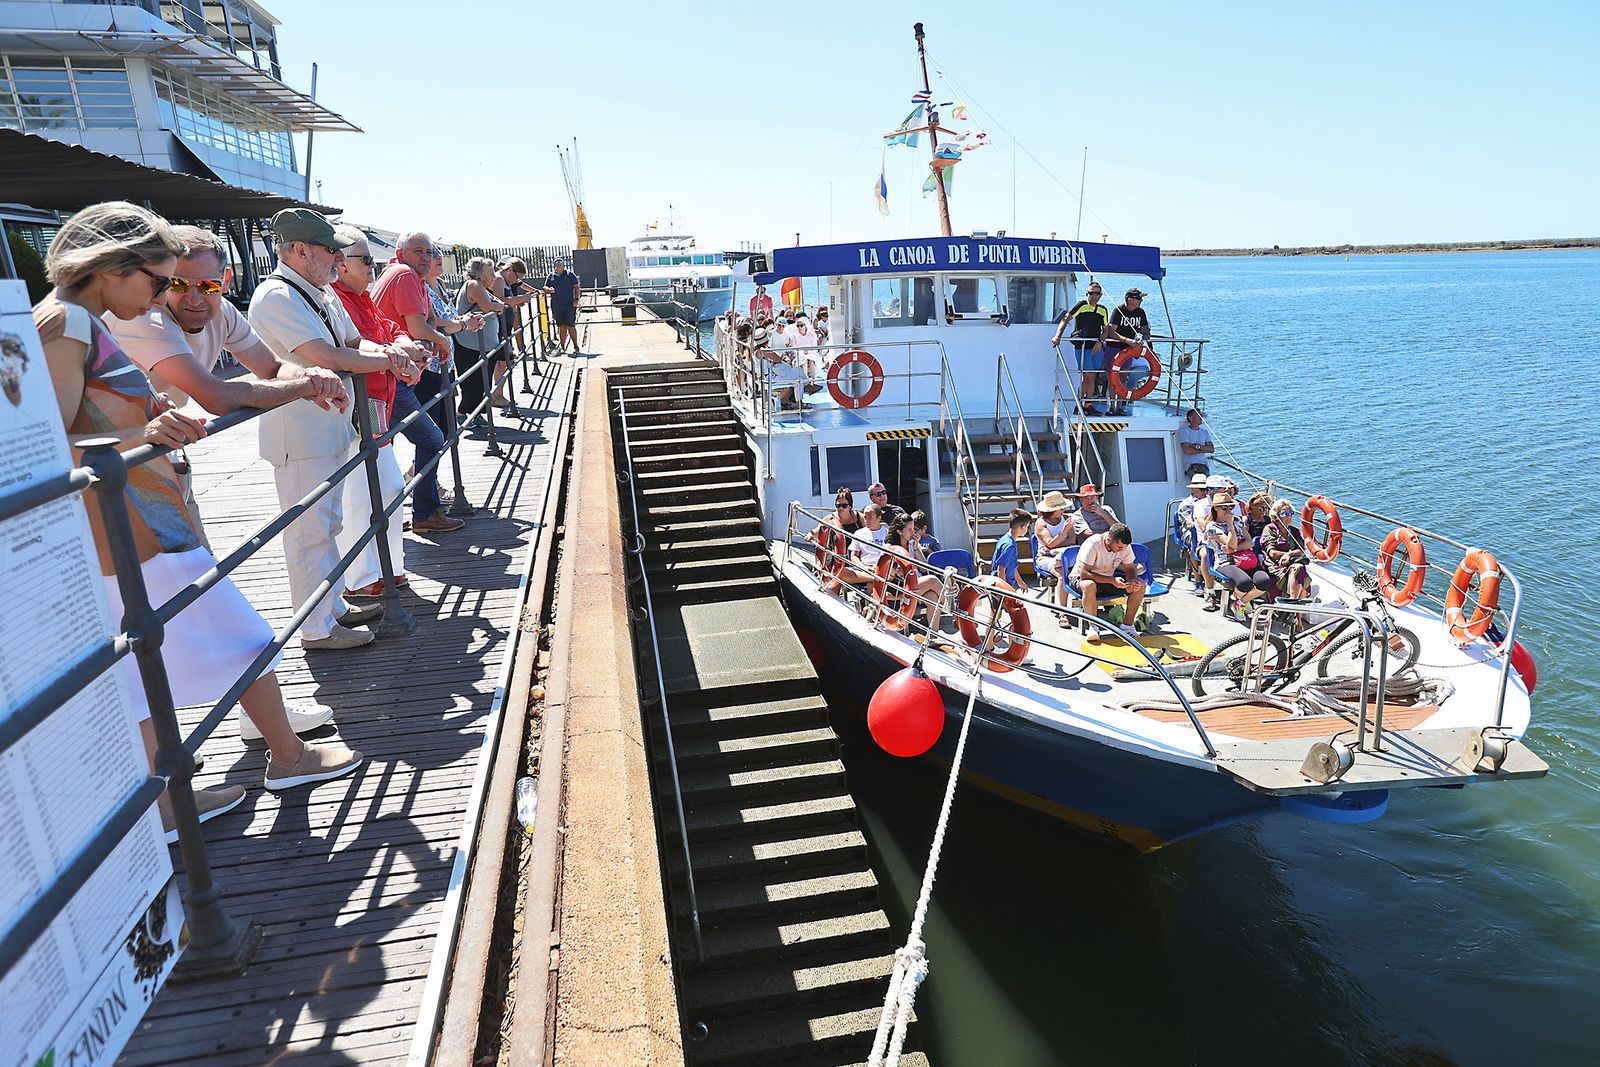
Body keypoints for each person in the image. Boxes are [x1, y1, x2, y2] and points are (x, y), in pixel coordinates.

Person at [35, 201, 364, 837]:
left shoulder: (81, 322)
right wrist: (147, 431)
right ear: (112, 266)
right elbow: (47, 449)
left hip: (138, 522)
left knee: (141, 665)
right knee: (245, 636)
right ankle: (288, 760)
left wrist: (147, 413)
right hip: (137, 525)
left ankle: (167, 797)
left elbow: (90, 418)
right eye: (157, 280)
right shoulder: (68, 326)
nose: (163, 296)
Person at [248, 208, 423, 651]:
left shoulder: (318, 292)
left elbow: (350, 343)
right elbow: (324, 355)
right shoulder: (277, 297)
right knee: (310, 531)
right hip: (301, 435)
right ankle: (316, 628)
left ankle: (333, 607)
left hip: (331, 426)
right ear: (300, 250)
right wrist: (390, 359)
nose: (337, 260)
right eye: (330, 251)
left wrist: (389, 352)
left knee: (331, 523)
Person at [103, 224, 348, 535]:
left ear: (226, 281)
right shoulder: (145, 318)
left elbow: (270, 366)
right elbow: (216, 397)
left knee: (193, 568)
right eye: (178, 284)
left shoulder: (222, 312)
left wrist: (310, 374)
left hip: (154, 453)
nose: (194, 298)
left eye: (207, 285)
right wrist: (307, 385)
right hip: (107, 468)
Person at [330, 226, 433, 598]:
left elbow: (390, 329)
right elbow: (360, 344)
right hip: (359, 405)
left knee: (387, 486)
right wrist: (398, 355)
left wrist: (403, 346)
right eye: (366, 259)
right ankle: (361, 578)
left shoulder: (361, 297)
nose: (374, 265)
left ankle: (389, 567)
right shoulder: (336, 299)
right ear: (341, 265)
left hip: (377, 404)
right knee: (362, 490)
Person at [367, 231, 463, 533]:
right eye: (417, 251)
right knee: (430, 438)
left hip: (389, 375)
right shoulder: (405, 276)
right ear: (401, 253)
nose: (425, 257)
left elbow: (426, 323)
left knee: (382, 445)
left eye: (428, 251)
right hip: (384, 378)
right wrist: (441, 341)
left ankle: (397, 514)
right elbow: (418, 326)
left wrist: (435, 336)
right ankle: (423, 513)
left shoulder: (411, 279)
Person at [419, 246, 483, 441]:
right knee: (435, 430)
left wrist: (467, 319)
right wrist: (464, 324)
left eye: (438, 254)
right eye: (431, 254)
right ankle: (418, 471)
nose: (438, 258)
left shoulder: (440, 284)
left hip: (447, 362)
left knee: (446, 429)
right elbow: (432, 322)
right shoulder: (421, 287)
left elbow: (449, 317)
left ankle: (416, 470)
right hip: (431, 365)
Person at [454, 256, 508, 421]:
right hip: (472, 345)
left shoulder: (483, 288)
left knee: (482, 383)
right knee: (473, 383)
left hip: (484, 344)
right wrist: (497, 307)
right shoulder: (474, 285)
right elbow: (489, 307)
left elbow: (499, 304)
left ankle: (477, 415)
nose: (494, 276)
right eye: (490, 272)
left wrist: (497, 306)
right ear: (478, 274)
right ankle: (463, 414)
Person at [1069, 522, 1146, 635]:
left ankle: (1127, 626)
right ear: (1109, 540)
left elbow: (1130, 569)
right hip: (1081, 578)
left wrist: (1132, 582)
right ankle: (1093, 627)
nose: (1121, 550)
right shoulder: (1093, 544)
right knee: (1089, 585)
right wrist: (1112, 581)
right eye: (1119, 547)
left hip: (1108, 578)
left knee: (1140, 585)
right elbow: (1084, 574)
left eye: (1124, 547)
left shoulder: (1124, 546)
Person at [1203, 491, 1270, 618]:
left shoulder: (1238, 520)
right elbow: (1231, 543)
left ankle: (1240, 602)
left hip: (1245, 559)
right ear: (1215, 508)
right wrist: (1230, 526)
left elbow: (1249, 543)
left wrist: (1233, 549)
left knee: (1264, 581)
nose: (1228, 510)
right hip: (1225, 562)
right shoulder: (1212, 527)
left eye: (1231, 507)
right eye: (1224, 507)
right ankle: (1243, 600)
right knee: (1245, 583)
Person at [1050, 281, 1109, 414]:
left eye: (1097, 293)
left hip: (1096, 347)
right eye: (1091, 293)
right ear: (1086, 294)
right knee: (1088, 375)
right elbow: (1066, 319)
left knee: (1092, 376)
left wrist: (1100, 341)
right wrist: (1057, 336)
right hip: (1082, 347)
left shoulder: (1103, 310)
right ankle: (1079, 404)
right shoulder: (1081, 306)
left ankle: (1087, 404)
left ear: (1100, 295)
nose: (1094, 296)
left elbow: (1106, 329)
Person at [884, 512, 943, 631]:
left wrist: (916, 548)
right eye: (910, 529)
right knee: (932, 580)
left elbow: (924, 568)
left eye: (914, 529)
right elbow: (893, 572)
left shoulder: (912, 544)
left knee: (933, 598)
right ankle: (955, 613)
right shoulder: (890, 547)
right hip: (901, 586)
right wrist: (911, 567)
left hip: (916, 585)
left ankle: (933, 635)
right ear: (900, 531)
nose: (913, 533)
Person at [1104, 287, 1152, 416]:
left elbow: (1145, 331)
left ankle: (1121, 405)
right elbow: (1112, 332)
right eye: (1138, 298)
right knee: (1112, 377)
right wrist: (1127, 340)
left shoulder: (1141, 312)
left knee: (1124, 377)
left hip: (1128, 350)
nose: (1141, 300)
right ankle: (1111, 406)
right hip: (1114, 347)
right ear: (1130, 299)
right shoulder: (1118, 311)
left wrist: (1142, 339)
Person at [1260, 498, 1313, 601]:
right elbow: (1272, 553)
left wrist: (1289, 554)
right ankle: (1294, 604)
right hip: (1275, 565)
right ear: (1276, 516)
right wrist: (1286, 555)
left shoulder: (1294, 531)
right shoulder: (1270, 529)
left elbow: (1301, 549)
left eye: (1291, 513)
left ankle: (1295, 605)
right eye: (1285, 513)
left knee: (1299, 568)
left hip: (1291, 563)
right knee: (1298, 568)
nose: (1289, 516)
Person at [1032, 490, 1074, 610]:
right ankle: (1063, 611)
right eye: (1061, 509)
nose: (1063, 511)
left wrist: (1055, 546)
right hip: (1045, 557)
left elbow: (1071, 540)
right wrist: (1064, 531)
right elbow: (1049, 543)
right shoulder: (1041, 523)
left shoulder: (1066, 518)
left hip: (1064, 555)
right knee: (1062, 574)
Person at [1175, 473, 1211, 593]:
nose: (1205, 492)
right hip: (1190, 531)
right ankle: (1198, 580)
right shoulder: (1186, 504)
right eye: (1202, 489)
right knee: (1193, 544)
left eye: (1207, 489)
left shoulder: (1210, 502)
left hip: (1207, 528)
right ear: (1193, 489)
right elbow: (1189, 523)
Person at [543, 259, 581, 355]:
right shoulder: (551, 276)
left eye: (560, 264)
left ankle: (576, 346)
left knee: (571, 325)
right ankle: (563, 346)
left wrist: (576, 299)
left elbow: (576, 287)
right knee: (561, 326)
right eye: (557, 264)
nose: (558, 266)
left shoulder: (570, 275)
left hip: (569, 304)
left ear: (564, 265)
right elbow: (545, 287)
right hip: (556, 304)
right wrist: (548, 289)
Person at [991, 508, 1033, 590]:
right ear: (1022, 527)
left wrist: (1020, 582)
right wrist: (1004, 591)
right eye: (1027, 527)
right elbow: (1001, 569)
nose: (1027, 529)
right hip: (1001, 586)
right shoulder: (1010, 546)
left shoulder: (1005, 539)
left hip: (1003, 583)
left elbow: (1011, 565)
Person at [1177, 408, 1214, 478]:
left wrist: (1195, 446)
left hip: (1204, 465)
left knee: (1208, 486)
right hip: (1191, 466)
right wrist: (1204, 449)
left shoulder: (1204, 432)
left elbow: (1211, 449)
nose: (1201, 417)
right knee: (1198, 487)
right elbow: (1187, 451)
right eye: (1198, 415)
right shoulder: (1184, 431)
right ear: (1190, 418)